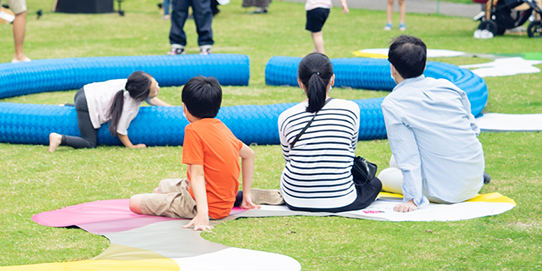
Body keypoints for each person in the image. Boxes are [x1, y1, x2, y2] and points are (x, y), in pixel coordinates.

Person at [129, 76, 282, 231]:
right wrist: (247, 193)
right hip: (221, 200)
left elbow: (198, 176)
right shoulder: (220, 126)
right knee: (159, 188)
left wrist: (202, 214)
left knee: (134, 202)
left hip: (204, 205)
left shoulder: (193, 130)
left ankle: (200, 205)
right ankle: (242, 196)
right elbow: (249, 154)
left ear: (184, 108)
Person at [379, 35, 486, 213]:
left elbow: (407, 155)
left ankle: (443, 180)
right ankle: (460, 174)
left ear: (393, 69)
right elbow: (473, 129)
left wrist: (412, 199)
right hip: (474, 178)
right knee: (393, 160)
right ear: (425, 64)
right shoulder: (448, 86)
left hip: (445, 191)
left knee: (386, 174)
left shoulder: (393, 103)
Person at [278, 53, 383, 212]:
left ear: (300, 83)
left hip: (295, 198)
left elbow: (289, 158)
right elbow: (349, 151)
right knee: (375, 183)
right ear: (332, 79)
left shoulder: (285, 117)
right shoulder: (351, 109)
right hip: (341, 198)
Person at [48, 71, 172, 151]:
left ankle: (68, 106)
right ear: (141, 96)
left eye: (157, 85)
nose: (158, 88)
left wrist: (172, 109)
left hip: (84, 92)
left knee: (89, 108)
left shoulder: (132, 84)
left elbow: (152, 100)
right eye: (155, 89)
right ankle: (59, 138)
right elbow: (121, 130)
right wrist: (131, 146)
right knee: (89, 142)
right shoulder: (129, 106)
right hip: (86, 103)